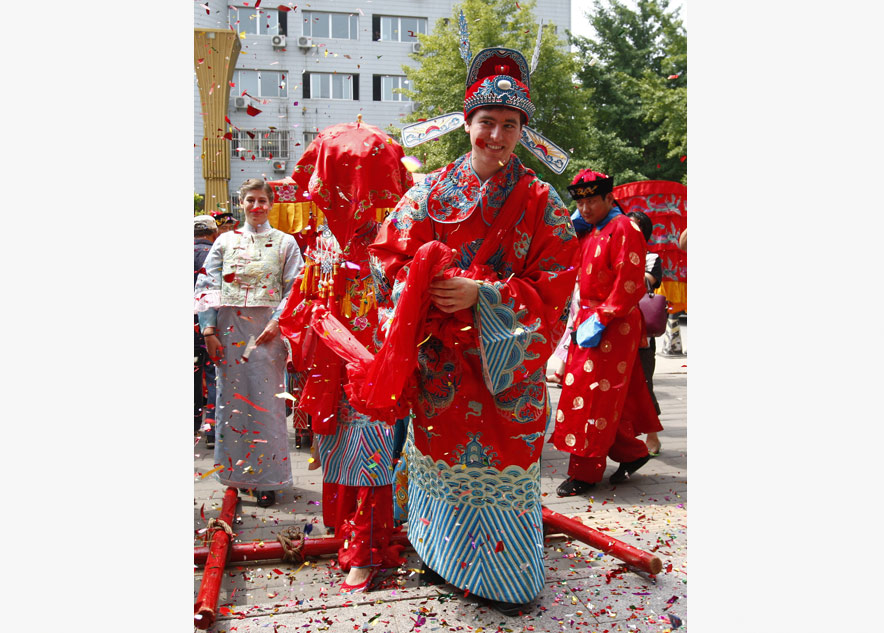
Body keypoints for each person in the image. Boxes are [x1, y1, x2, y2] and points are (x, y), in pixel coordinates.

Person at [366, 47, 578, 615]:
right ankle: (441, 559)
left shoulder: (541, 201)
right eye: (488, 123)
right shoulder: (429, 193)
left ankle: (509, 581)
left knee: (504, 472)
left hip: (505, 374)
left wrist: (485, 295)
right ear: (467, 123)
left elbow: (559, 279)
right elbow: (387, 261)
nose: (498, 136)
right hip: (443, 370)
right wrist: (424, 286)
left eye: (511, 126)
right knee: (441, 470)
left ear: (522, 132)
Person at [278, 119, 415, 593]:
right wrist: (286, 322)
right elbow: (306, 291)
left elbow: (398, 302)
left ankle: (367, 549)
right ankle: (349, 539)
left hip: (372, 365)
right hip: (329, 366)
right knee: (338, 454)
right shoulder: (323, 240)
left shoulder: (388, 237)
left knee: (371, 458)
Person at [550, 169, 661, 497]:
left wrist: (601, 318)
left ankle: (584, 472)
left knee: (591, 396)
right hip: (589, 319)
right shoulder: (591, 229)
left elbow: (630, 283)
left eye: (591, 201)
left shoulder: (624, 228)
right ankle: (632, 453)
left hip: (613, 322)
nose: (584, 208)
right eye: (580, 202)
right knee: (609, 396)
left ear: (610, 198)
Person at [194, 179, 303, 508]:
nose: (256, 207)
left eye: (262, 201)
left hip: (268, 330)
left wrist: (277, 321)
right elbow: (207, 283)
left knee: (267, 405)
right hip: (229, 329)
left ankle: (267, 478)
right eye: (250, 200)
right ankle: (235, 474)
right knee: (233, 404)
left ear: (271, 204)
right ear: (241, 204)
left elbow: (295, 288)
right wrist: (209, 331)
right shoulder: (225, 242)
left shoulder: (286, 243)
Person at [627, 210, 663, 455]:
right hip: (615, 332)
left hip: (642, 337)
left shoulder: (651, 258)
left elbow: (648, 281)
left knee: (644, 384)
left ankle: (653, 437)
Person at [194, 215, 219, 448]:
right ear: (214, 233)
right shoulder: (214, 254)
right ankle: (211, 430)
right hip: (206, 325)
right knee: (213, 376)